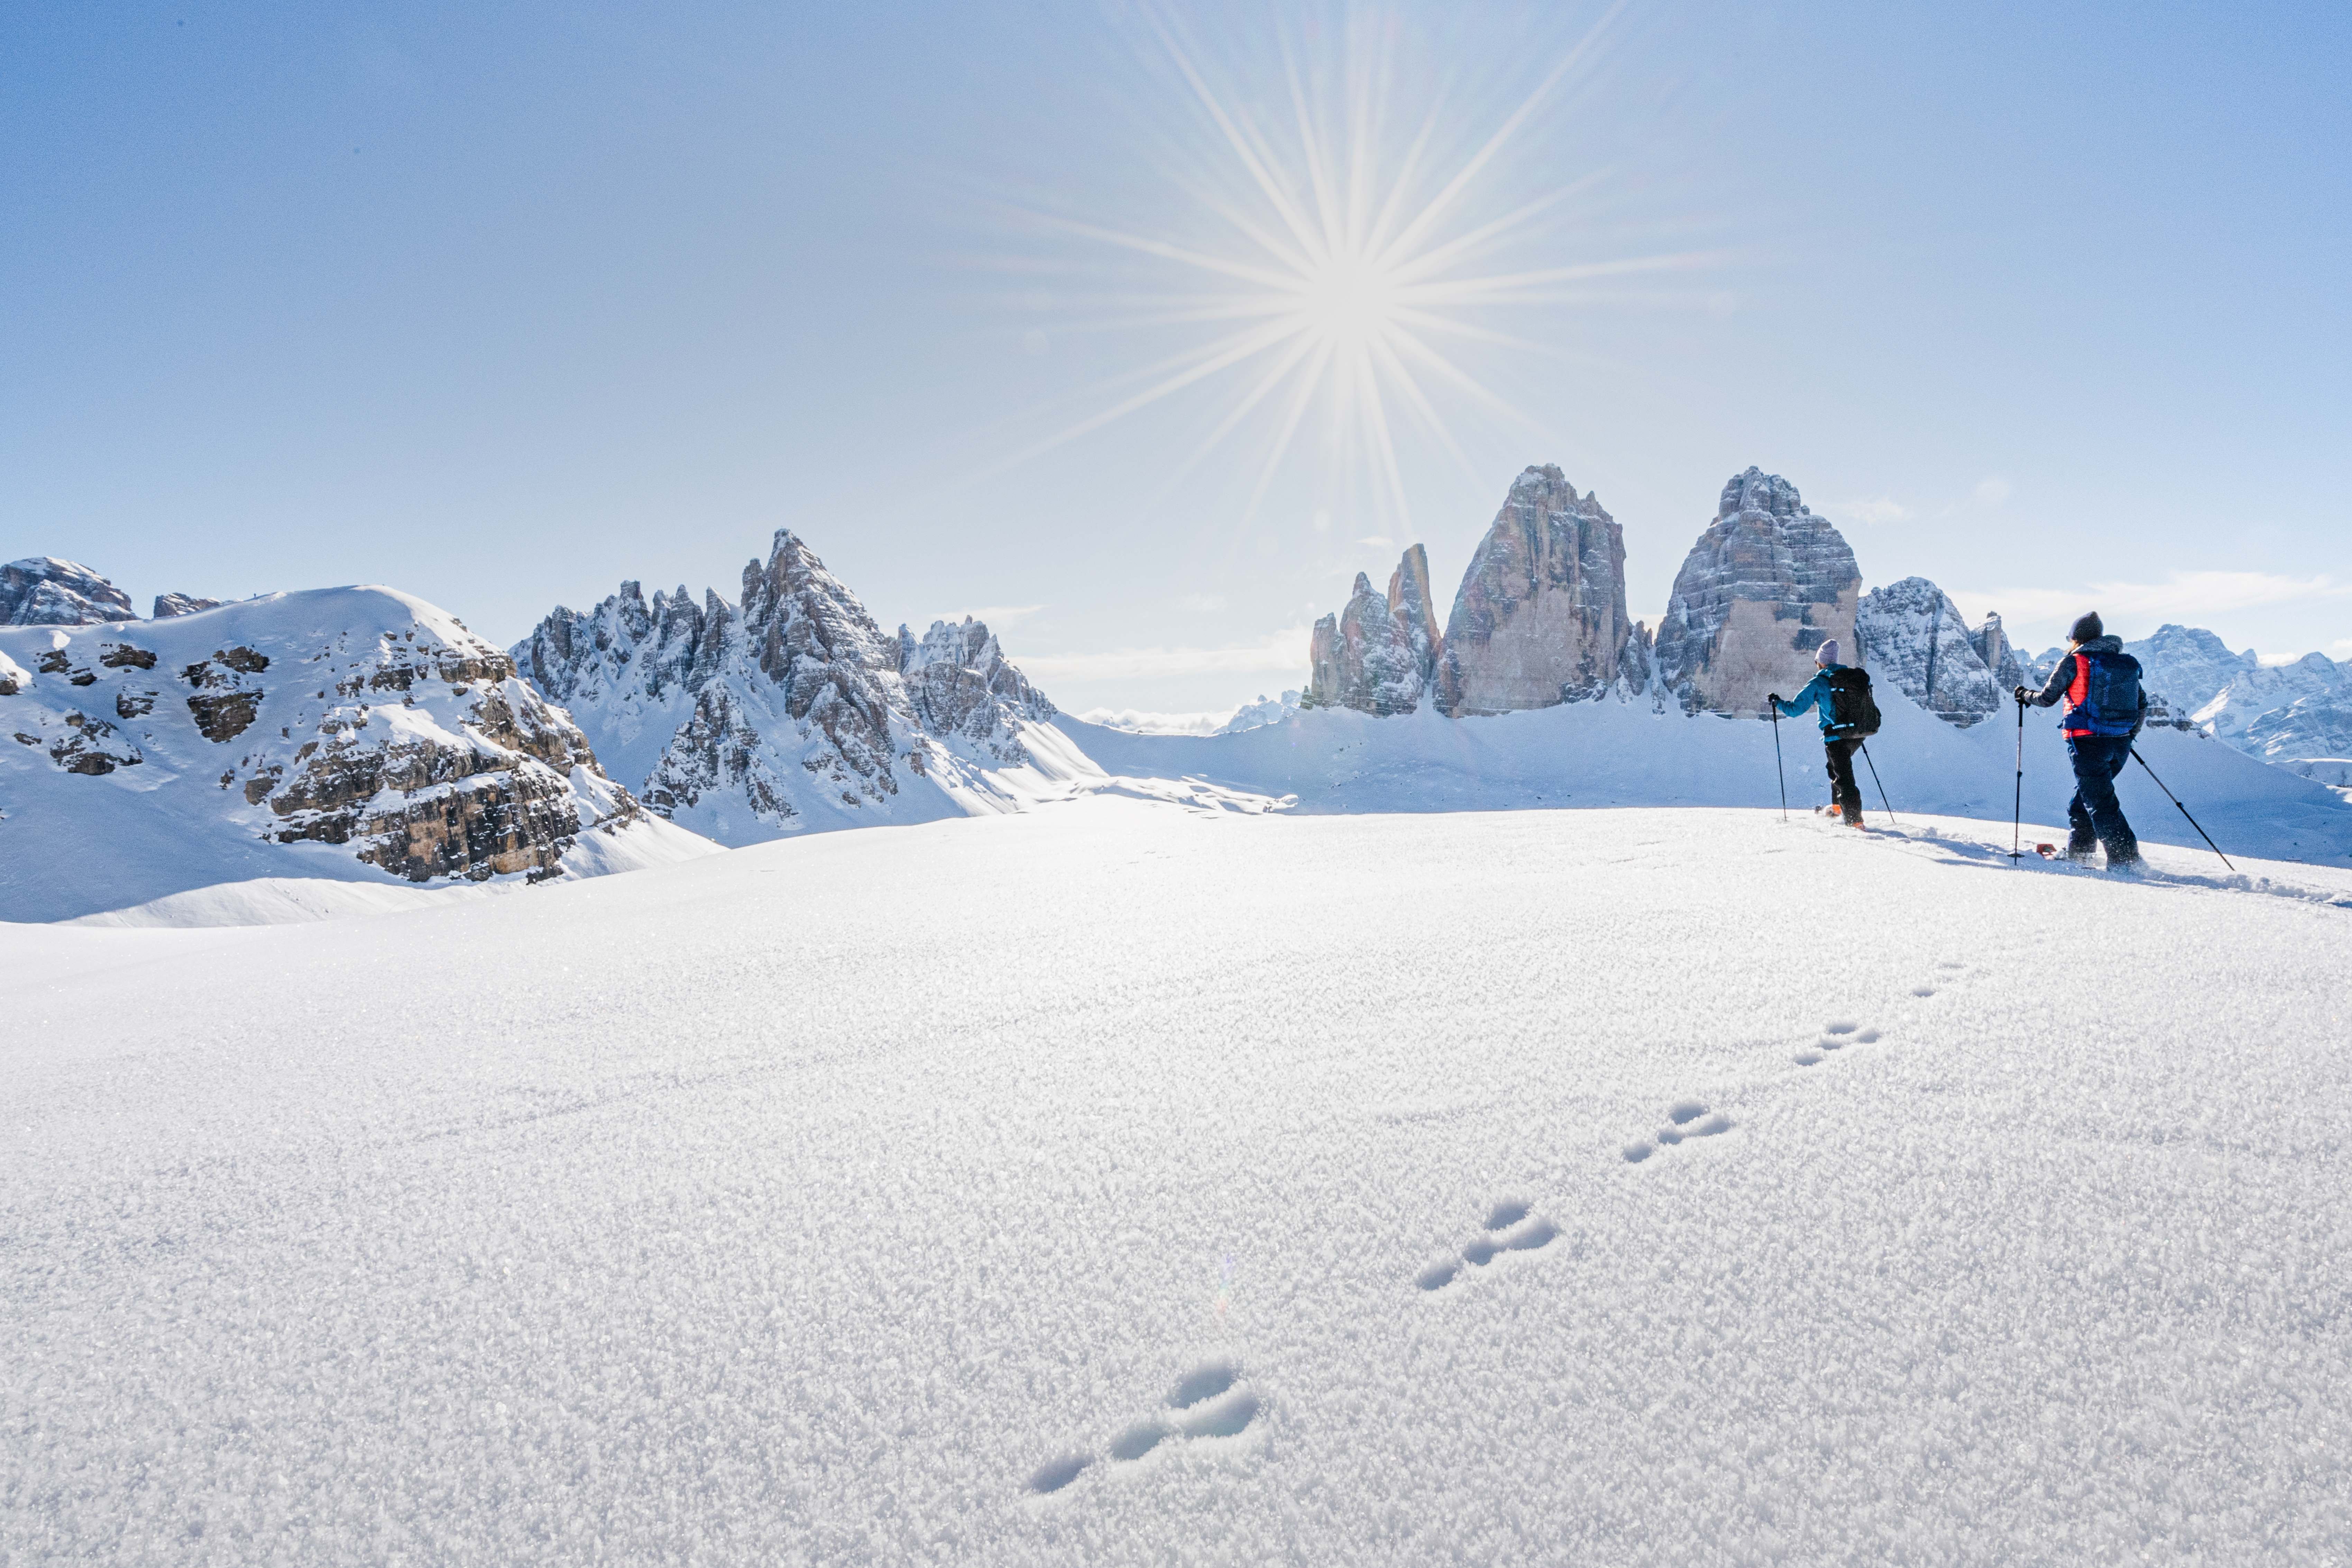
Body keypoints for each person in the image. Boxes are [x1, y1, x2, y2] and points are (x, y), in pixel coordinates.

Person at [2017, 612, 2145, 869]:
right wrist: (2129, 735)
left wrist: (2024, 694)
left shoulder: (2074, 661)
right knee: (2085, 802)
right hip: (2120, 744)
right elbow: (2142, 704)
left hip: (2088, 744)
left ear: (2076, 638)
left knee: (2100, 804)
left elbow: (2047, 698)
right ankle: (2081, 853)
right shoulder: (2122, 663)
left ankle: (2126, 861)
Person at [1768, 640, 1864, 827]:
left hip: (1836, 736)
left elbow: (1795, 710)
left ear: (1820, 662)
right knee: (1835, 769)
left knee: (1844, 777)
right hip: (1857, 734)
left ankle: (1855, 821)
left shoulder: (1819, 682)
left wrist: (1778, 702)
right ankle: (1837, 809)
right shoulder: (1850, 678)